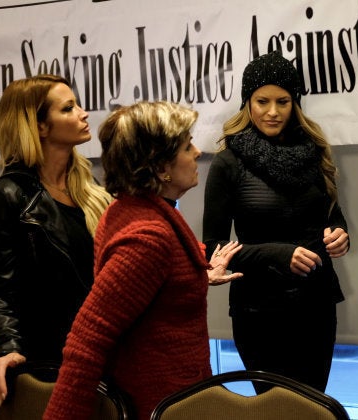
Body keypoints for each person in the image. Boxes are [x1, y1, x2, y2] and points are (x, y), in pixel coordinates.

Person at [42, 101, 243, 420]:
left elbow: (151, 294)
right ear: (161, 167)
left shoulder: (129, 211)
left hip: (175, 401)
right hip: (160, 407)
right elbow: (88, 338)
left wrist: (199, 274)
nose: (196, 153)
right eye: (186, 146)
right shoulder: (148, 237)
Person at [202, 50, 350, 393]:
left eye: (282, 101)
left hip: (316, 305)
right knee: (276, 409)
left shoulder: (315, 151)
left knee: (313, 406)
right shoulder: (228, 163)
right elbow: (214, 248)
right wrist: (279, 254)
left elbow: (332, 216)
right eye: (262, 101)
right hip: (259, 310)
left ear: (295, 102)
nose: (272, 111)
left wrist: (341, 234)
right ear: (247, 103)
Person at [0, 74, 112, 411]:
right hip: (45, 360)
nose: (83, 114)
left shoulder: (90, 189)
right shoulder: (8, 194)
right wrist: (6, 346)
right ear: (40, 126)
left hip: (101, 354)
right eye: (69, 108)